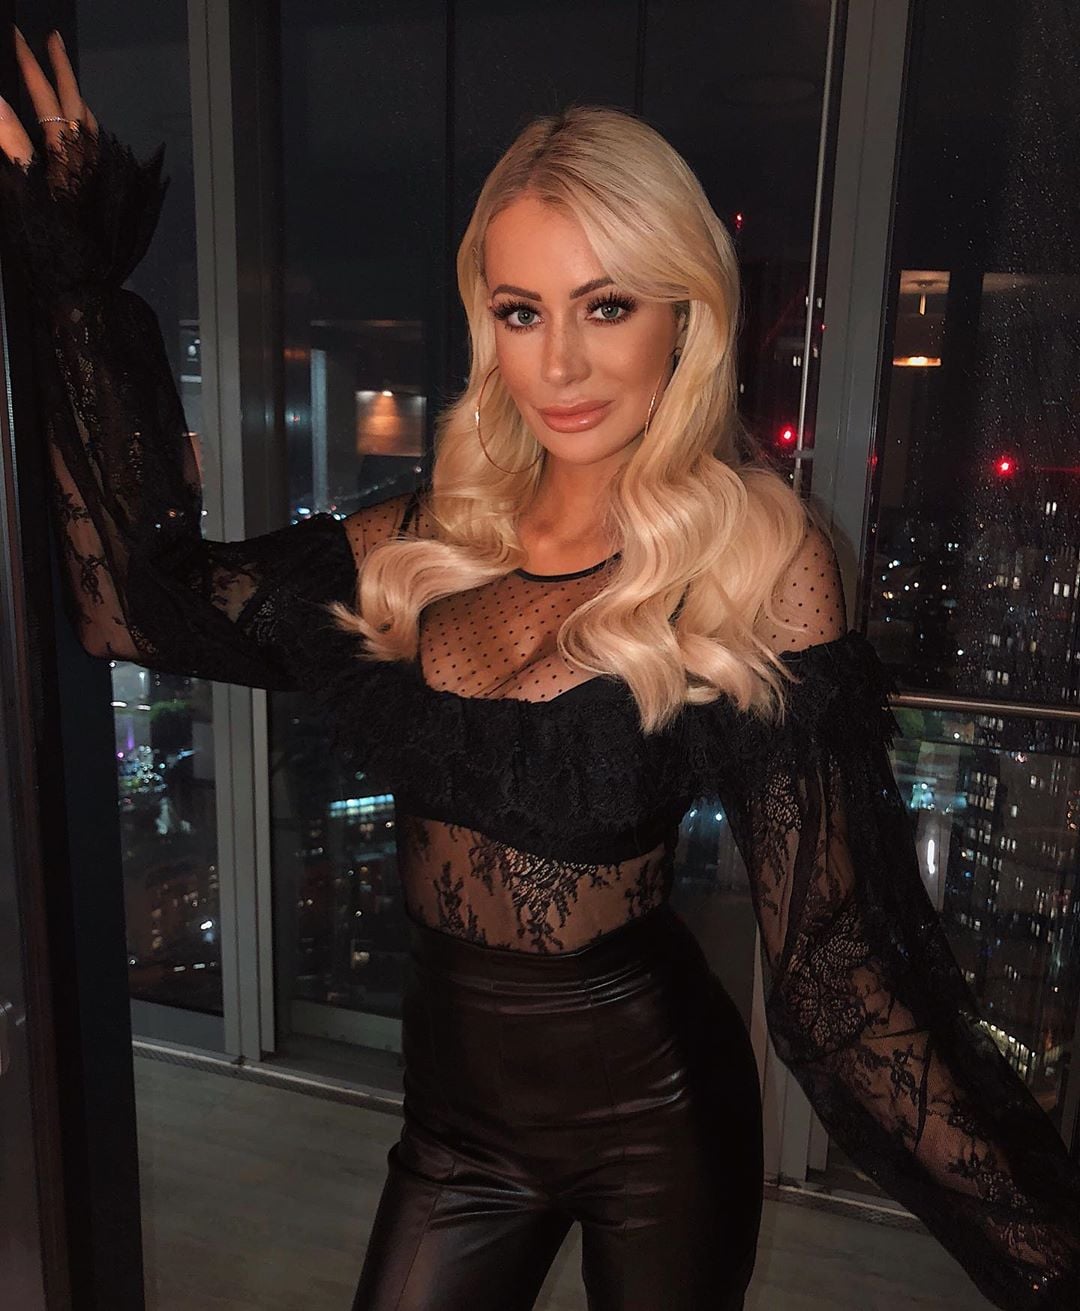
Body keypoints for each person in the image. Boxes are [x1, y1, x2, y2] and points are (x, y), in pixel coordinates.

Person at [0, 25, 1078, 1311]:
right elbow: (132, 614)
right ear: (489, 324)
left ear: (685, 315)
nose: (559, 363)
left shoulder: (754, 559)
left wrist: (1047, 1255)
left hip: (657, 1118)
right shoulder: (420, 542)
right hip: (456, 1124)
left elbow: (835, 973)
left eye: (606, 305)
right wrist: (77, 282)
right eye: (522, 311)